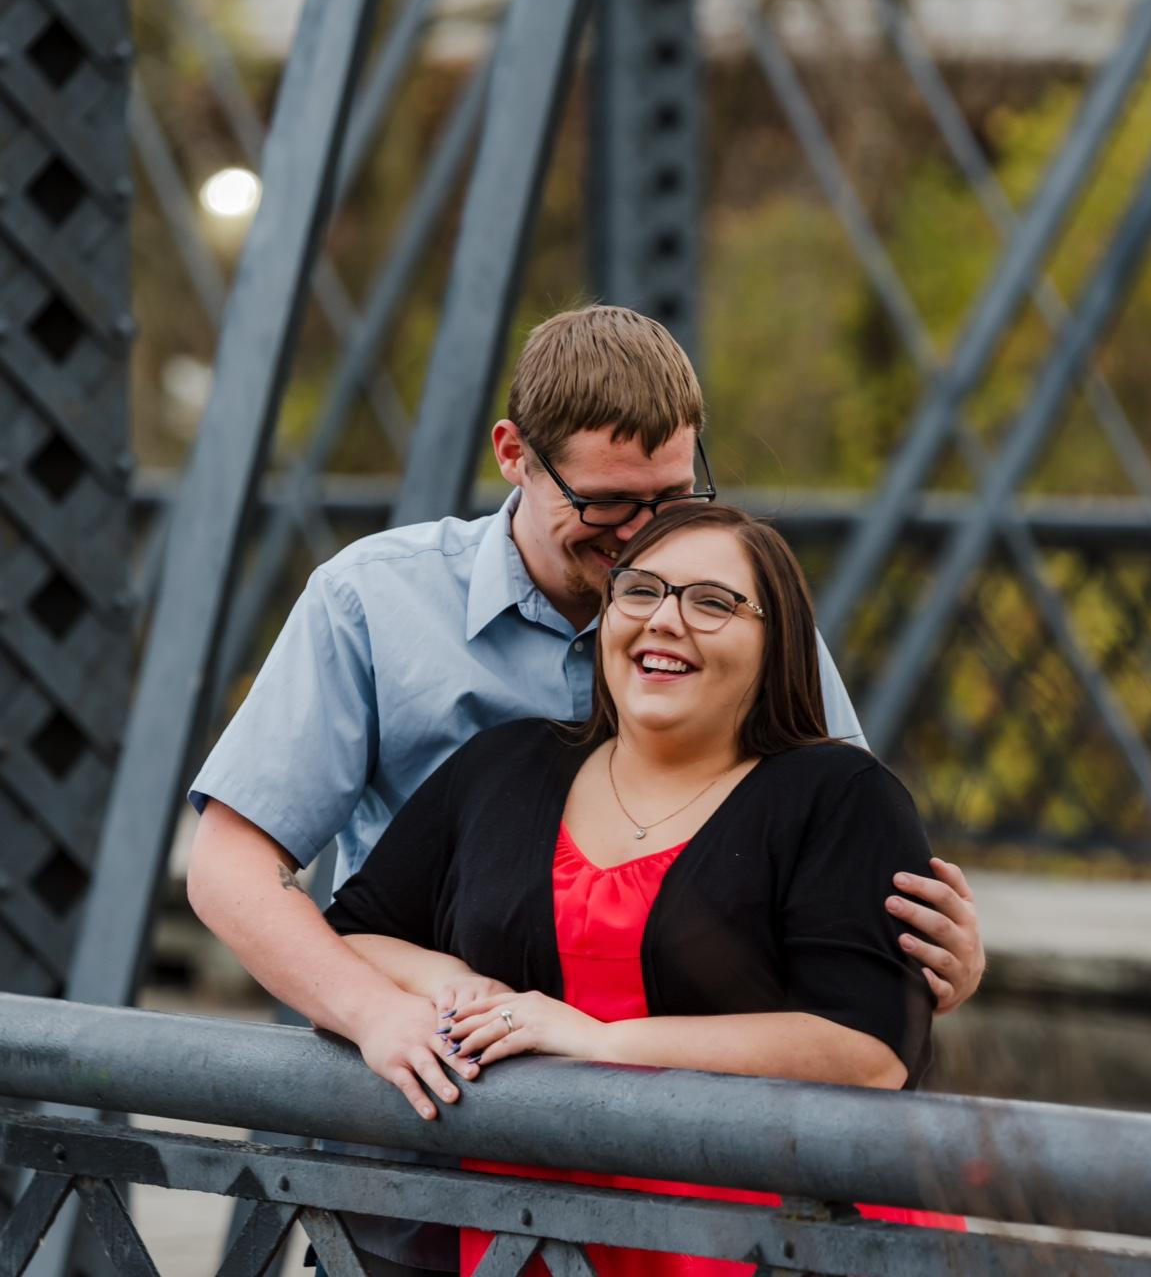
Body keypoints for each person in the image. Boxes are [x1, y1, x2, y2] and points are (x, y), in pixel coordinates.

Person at [187, 305, 984, 1275]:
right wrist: (379, 1012)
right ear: (514, 455)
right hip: (430, 1127)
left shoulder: (743, 617)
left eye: (673, 497)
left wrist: (930, 963)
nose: (643, 537)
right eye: (607, 504)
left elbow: (831, 854)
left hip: (708, 1180)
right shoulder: (375, 601)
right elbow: (231, 869)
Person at [324, 502, 965, 1277]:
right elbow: (350, 934)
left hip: (774, 1247)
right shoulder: (504, 768)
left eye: (712, 602)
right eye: (640, 590)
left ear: (778, 642)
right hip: (538, 1236)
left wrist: (601, 1043)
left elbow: (869, 1053)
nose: (665, 619)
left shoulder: (842, 795)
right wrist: (450, 981)